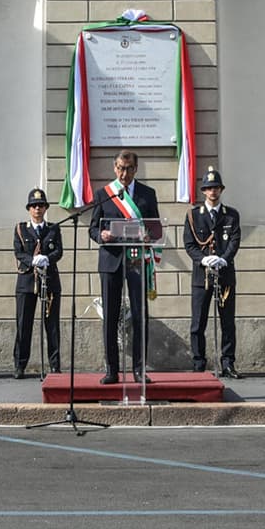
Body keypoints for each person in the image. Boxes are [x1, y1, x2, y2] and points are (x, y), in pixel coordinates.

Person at [90, 149, 160, 384]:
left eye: (129, 169)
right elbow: (93, 228)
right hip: (111, 259)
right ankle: (112, 370)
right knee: (110, 315)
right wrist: (101, 234)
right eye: (120, 168)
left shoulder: (147, 194)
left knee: (140, 314)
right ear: (114, 168)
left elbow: (156, 227)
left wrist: (149, 235)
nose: (124, 173)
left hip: (136, 258)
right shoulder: (104, 194)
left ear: (136, 169)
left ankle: (139, 369)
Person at [182, 166, 241, 377]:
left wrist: (224, 259)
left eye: (216, 187)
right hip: (202, 276)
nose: (212, 191)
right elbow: (189, 244)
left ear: (221, 190)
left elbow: (234, 240)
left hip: (224, 275)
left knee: (227, 322)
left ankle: (228, 363)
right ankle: (199, 363)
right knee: (198, 323)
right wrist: (202, 259)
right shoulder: (193, 215)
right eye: (209, 188)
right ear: (203, 191)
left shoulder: (231, 215)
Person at [11, 188, 63, 377]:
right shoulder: (21, 228)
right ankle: (20, 365)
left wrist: (47, 258)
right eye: (34, 206)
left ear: (46, 208)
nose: (37, 209)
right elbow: (18, 252)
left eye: (41, 205)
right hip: (27, 282)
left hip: (49, 281)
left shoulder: (53, 229)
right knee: (23, 324)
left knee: (52, 325)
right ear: (29, 209)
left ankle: (55, 365)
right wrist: (32, 260)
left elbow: (58, 251)